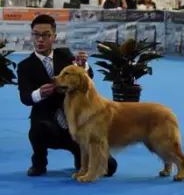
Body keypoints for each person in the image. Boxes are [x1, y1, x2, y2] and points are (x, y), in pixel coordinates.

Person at [18, 14, 117, 177]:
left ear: (54, 37)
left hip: (76, 124)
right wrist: (39, 93)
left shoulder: (64, 55)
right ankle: (39, 163)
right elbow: (25, 98)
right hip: (48, 125)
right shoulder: (25, 66)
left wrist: (83, 65)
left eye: (45, 35)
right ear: (32, 36)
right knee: (36, 129)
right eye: (36, 34)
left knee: (109, 168)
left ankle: (80, 158)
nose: (40, 39)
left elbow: (87, 78)